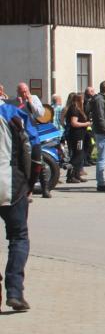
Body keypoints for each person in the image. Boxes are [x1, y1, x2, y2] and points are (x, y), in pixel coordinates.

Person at [0, 102, 38, 311]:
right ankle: (14, 291)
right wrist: (31, 182)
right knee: (18, 236)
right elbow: (35, 147)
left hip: (12, 182)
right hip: (11, 183)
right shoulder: (12, 113)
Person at [14, 83, 51, 198]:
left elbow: (40, 114)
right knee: (23, 161)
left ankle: (45, 188)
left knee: (39, 160)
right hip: (22, 132)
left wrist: (30, 102)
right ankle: (25, 191)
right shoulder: (16, 101)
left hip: (33, 130)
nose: (24, 94)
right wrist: (19, 103)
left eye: (26, 91)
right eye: (21, 92)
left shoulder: (34, 98)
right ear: (18, 92)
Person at [88, 81, 105, 192]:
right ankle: (101, 183)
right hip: (102, 132)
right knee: (102, 158)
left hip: (102, 131)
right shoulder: (99, 100)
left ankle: (101, 181)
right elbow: (100, 117)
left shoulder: (101, 99)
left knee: (103, 158)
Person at [65, 94, 90, 183]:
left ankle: (76, 174)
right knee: (78, 154)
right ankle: (70, 174)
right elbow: (74, 123)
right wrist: (86, 124)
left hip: (81, 134)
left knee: (81, 154)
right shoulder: (74, 109)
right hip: (77, 135)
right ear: (79, 100)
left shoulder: (79, 109)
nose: (84, 101)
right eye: (82, 99)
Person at [83, 87, 96, 167]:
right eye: (92, 91)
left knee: (92, 142)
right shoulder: (86, 101)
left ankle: (89, 158)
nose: (94, 93)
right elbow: (87, 112)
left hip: (90, 124)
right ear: (88, 92)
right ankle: (86, 159)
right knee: (88, 143)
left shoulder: (90, 101)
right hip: (87, 124)